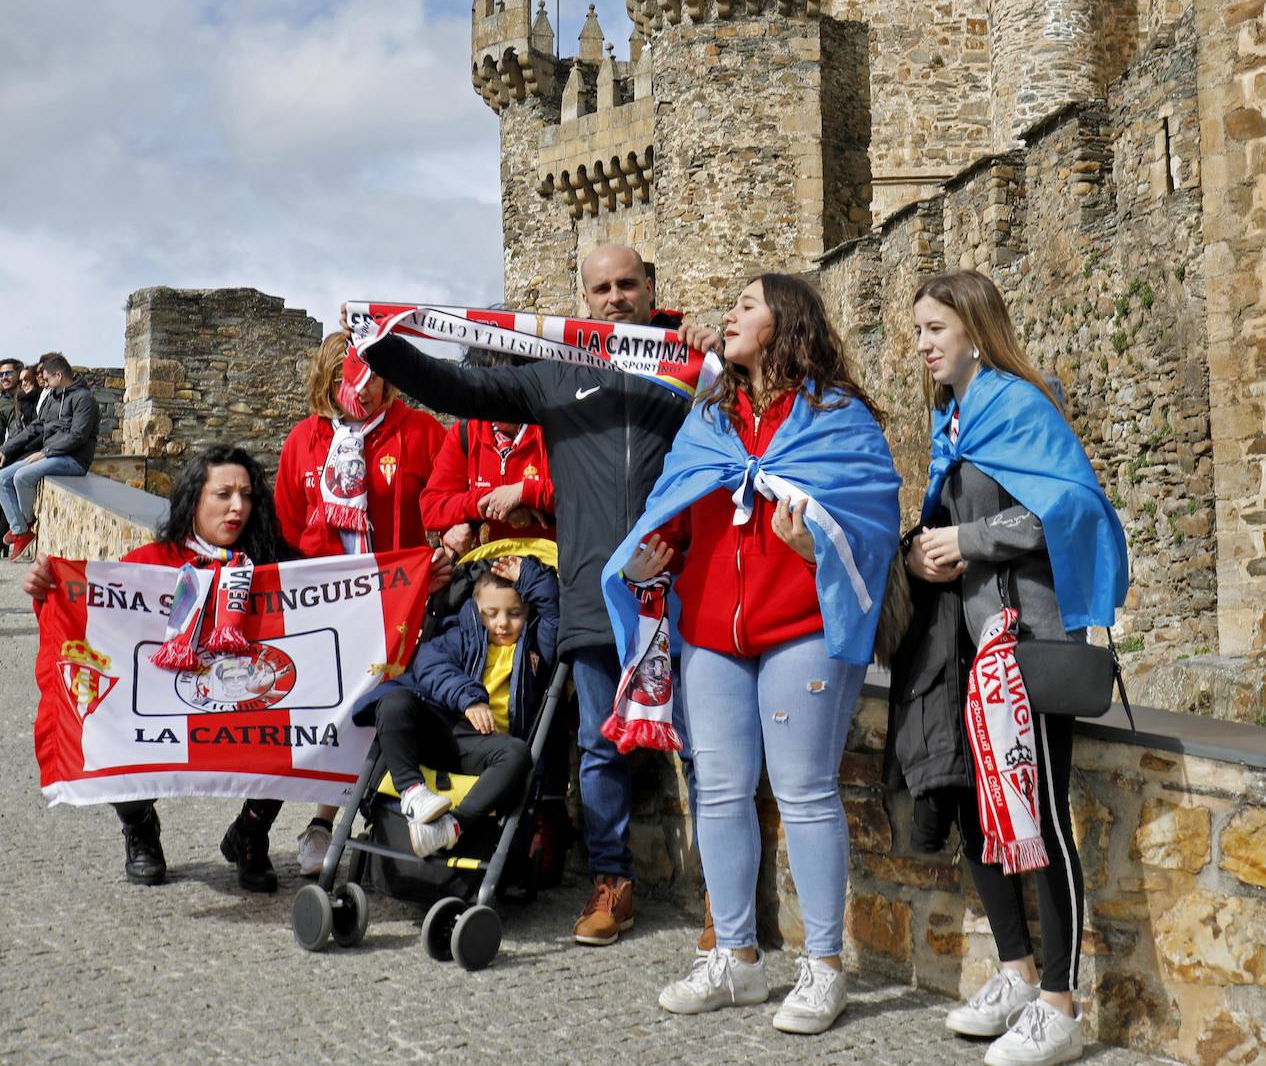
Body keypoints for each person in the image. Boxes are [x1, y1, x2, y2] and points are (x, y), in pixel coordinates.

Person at [343, 244, 718, 946]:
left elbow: (759, 392)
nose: (614, 298)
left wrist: (709, 339)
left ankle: (721, 902)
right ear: (583, 301)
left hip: (680, 588)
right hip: (594, 591)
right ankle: (613, 883)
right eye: (600, 288)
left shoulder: (692, 366)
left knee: (701, 748)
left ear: (649, 288)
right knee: (602, 747)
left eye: (627, 285)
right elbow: (462, 390)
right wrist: (381, 346)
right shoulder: (557, 376)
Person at [608, 274, 900, 1035]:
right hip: (710, 632)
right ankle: (735, 958)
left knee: (804, 793)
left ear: (786, 322)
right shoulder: (709, 420)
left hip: (801, 625)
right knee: (720, 793)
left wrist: (816, 549)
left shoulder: (838, 417)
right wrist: (658, 549)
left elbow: (871, 517)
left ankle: (824, 966)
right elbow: (684, 507)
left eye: (747, 303)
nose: (730, 315)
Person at [897, 270, 1128, 1066]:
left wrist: (970, 541)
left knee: (1043, 816)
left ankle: (1061, 1006)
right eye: (919, 331)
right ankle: (1018, 974)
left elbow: (1069, 509)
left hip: (1025, 642)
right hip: (968, 645)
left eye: (934, 329)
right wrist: (924, 555)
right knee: (979, 814)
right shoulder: (953, 421)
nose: (923, 345)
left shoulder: (1023, 405)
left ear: (973, 326)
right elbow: (945, 525)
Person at [24, 447, 288, 892]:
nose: (237, 507)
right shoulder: (149, 563)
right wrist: (46, 591)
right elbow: (92, 625)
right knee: (109, 726)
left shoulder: (275, 564)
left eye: (246, 495)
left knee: (301, 724)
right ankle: (141, 827)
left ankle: (250, 834)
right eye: (223, 494)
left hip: (241, 701)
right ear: (194, 501)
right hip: (164, 700)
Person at [274, 332, 446, 876]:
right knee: (336, 714)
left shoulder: (420, 432)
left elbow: (444, 507)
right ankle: (324, 822)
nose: (363, 391)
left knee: (395, 706)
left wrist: (439, 557)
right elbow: (285, 523)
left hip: (406, 605)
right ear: (326, 383)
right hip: (330, 608)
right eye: (349, 380)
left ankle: (398, 809)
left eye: (374, 378)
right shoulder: (304, 440)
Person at [355, 552, 558, 856]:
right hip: (447, 729)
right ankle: (413, 792)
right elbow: (430, 666)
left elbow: (555, 612)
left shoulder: (536, 646)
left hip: (489, 748)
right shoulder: (460, 635)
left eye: (514, 613)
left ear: (527, 611)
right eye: (492, 613)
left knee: (519, 755)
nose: (502, 623)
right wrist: (469, 700)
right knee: (394, 701)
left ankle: (451, 827)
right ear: (476, 610)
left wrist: (532, 576)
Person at [420, 351, 556, 557]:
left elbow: (584, 494)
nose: (496, 400)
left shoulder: (556, 430)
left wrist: (523, 493)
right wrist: (491, 501)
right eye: (487, 388)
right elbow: (432, 507)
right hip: (493, 571)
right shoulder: (465, 433)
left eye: (507, 388)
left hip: (556, 569)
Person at [0, 352, 99, 559]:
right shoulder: (53, 398)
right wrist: (5, 450)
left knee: (22, 476)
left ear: (59, 376)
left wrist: (45, 453)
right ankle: (21, 530)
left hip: (74, 460)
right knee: (1, 478)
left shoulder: (84, 399)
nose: (45, 383)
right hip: (51, 455)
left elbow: (78, 436)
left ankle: (25, 524)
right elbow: (35, 428)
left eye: (47, 379)